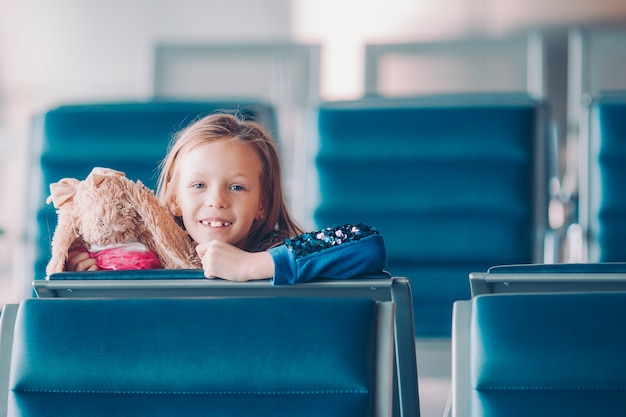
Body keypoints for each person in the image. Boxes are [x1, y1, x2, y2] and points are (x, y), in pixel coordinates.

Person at [66, 113, 387, 284]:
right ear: (175, 199)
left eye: (236, 187)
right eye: (198, 185)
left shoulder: (274, 251)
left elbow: (367, 245)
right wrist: (88, 279)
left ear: (262, 205)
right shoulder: (148, 257)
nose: (216, 200)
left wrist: (254, 266)